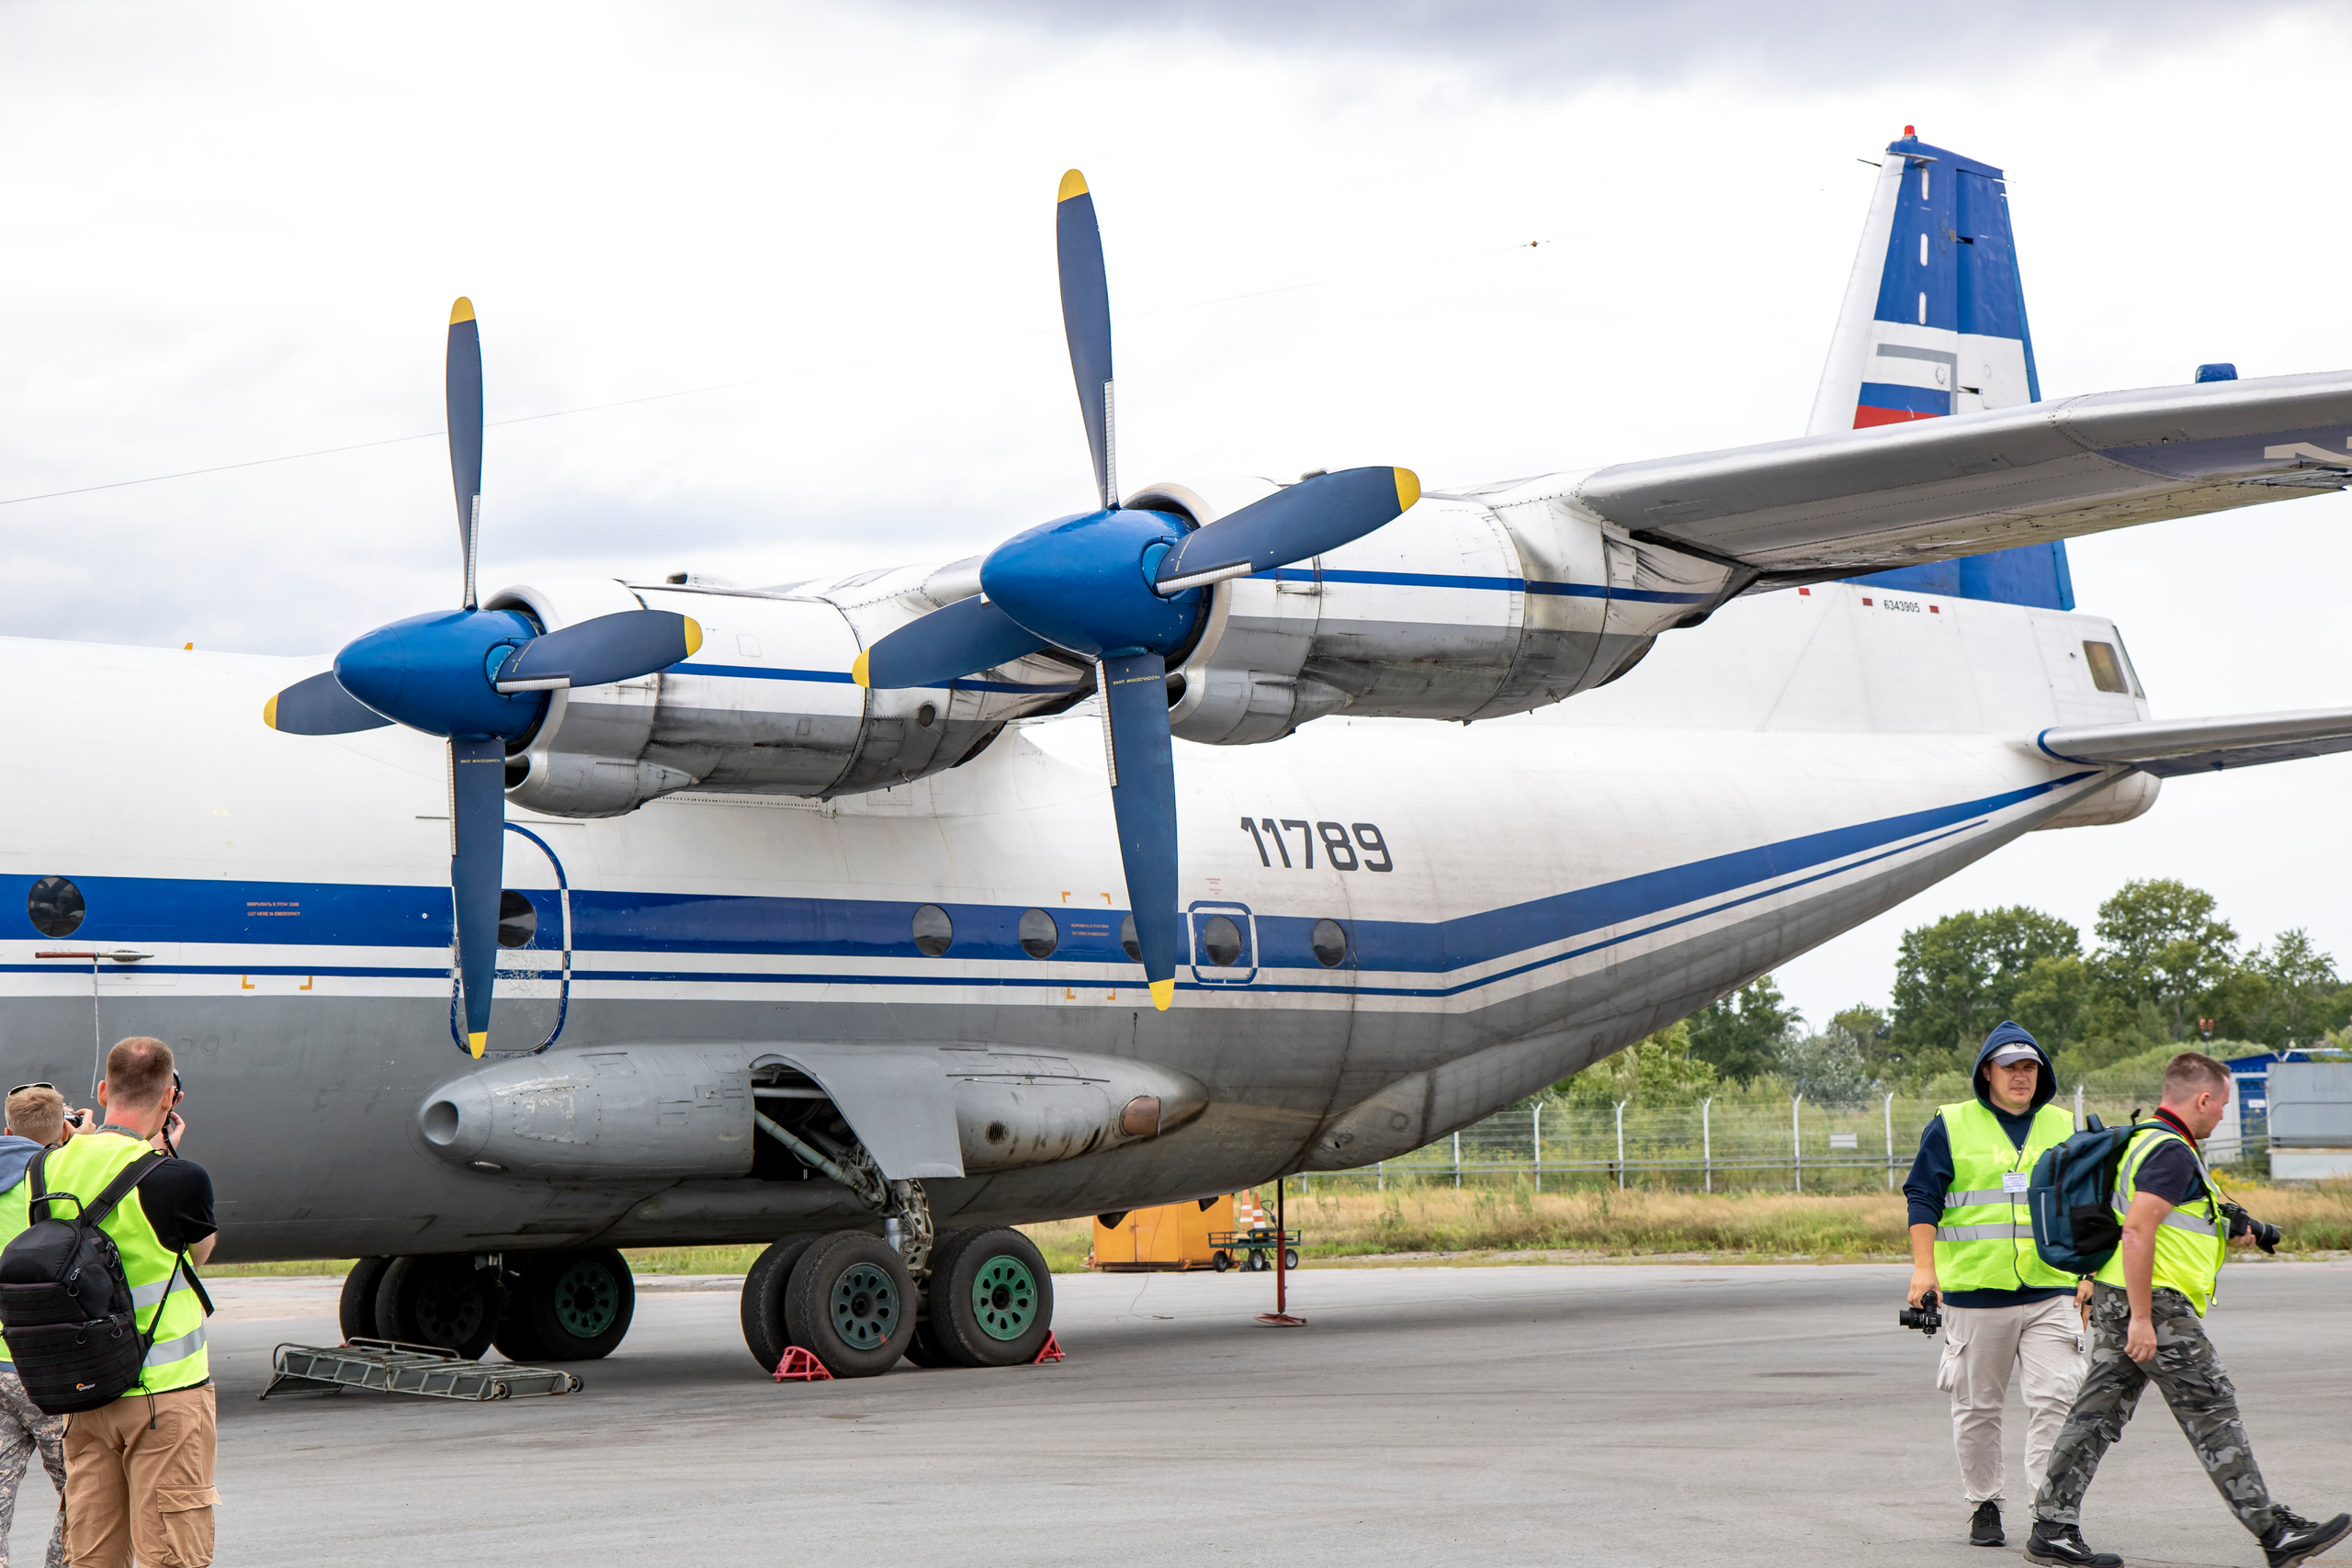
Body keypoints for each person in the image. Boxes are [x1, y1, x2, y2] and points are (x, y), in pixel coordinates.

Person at [2026, 1052, 2350, 1568]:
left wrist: (2244, 1226)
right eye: (2221, 1104)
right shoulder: (2171, 1151)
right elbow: (2136, 1229)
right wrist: (2140, 1318)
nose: (2223, 1114)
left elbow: (2182, 1216)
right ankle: (2273, 1531)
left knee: (2098, 1412)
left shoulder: (2150, 1140)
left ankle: (2052, 1526)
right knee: (2211, 1406)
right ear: (2202, 1099)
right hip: (2151, 1301)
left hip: (2119, 1294)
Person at [1903, 1021, 2089, 1547]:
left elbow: (2086, 1205)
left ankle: (2051, 1515)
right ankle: (1984, 1503)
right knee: (1977, 1408)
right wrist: (1924, 1270)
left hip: (2052, 1290)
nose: (2021, 1076)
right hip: (1975, 1294)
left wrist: (2090, 1273)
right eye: (2010, 1067)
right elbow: (1923, 1196)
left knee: (2057, 1399)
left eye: (2029, 1067)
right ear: (1987, 1071)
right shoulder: (1951, 1124)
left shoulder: (2061, 1125)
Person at [51, 1040, 217, 1568]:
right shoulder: (177, 1177)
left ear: (102, 1092)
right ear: (171, 1097)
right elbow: (202, 1253)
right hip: (162, 1395)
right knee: (170, 1553)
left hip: (82, 1390)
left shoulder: (46, 1168)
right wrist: (168, 1155)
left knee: (93, 1553)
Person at [0, 1084, 87, 1568]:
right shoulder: (62, 1177)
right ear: (61, 1128)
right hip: (47, 1369)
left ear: (7, 1129)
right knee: (84, 1495)